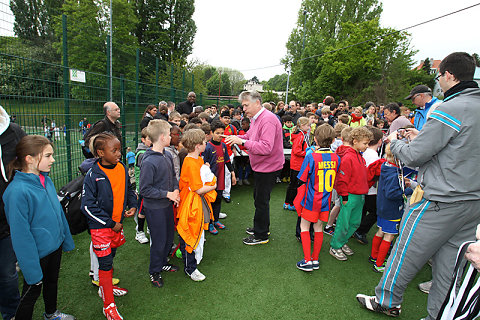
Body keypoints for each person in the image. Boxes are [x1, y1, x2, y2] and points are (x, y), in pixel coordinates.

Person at [356, 52, 480, 320]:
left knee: (405, 251)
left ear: (448, 75)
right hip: (472, 203)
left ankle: (387, 301)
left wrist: (394, 142)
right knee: (449, 266)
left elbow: (413, 156)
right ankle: (439, 315)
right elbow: (460, 147)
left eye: (439, 76)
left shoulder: (450, 107)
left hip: (439, 199)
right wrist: (422, 136)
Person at [4, 135, 75, 320]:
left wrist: (65, 240)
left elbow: (58, 213)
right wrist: (31, 269)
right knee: (32, 291)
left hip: (54, 247)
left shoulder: (46, 180)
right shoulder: (17, 192)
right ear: (29, 158)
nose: (53, 160)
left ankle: (51, 314)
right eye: (48, 156)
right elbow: (21, 236)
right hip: (36, 254)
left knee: (51, 283)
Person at [81, 132, 137, 320]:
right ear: (100, 153)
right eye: (114, 150)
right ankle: (108, 306)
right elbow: (87, 206)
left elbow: (128, 189)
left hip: (117, 225)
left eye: (119, 149)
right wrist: (110, 223)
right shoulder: (93, 175)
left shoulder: (121, 167)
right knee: (105, 263)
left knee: (110, 259)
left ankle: (106, 288)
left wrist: (133, 205)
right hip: (102, 228)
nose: (119, 154)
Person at [224, 90, 284, 245]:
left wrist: (241, 142)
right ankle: (262, 227)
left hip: (268, 167)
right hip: (261, 166)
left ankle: (261, 234)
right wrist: (235, 138)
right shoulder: (256, 118)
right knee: (259, 199)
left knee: (261, 201)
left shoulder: (267, 119)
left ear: (257, 102)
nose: (243, 109)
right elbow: (250, 136)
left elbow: (266, 147)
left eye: (245, 105)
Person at [139, 120, 180, 288]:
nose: (172, 137)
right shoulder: (148, 161)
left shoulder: (168, 155)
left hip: (167, 206)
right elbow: (144, 190)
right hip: (154, 208)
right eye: (170, 134)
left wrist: (175, 191)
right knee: (158, 239)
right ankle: (154, 271)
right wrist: (167, 194)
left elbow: (173, 177)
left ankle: (163, 262)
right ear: (162, 137)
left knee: (169, 236)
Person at [294, 124, 340, 271]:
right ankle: (315, 259)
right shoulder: (336, 158)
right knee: (319, 227)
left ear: (315, 139)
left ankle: (308, 260)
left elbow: (301, 178)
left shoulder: (311, 156)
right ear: (333, 140)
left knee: (304, 226)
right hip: (326, 200)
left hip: (311, 199)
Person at [176, 129, 217, 281]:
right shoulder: (190, 162)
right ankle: (190, 268)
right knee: (190, 234)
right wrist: (213, 185)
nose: (207, 144)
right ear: (198, 145)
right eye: (205, 142)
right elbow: (198, 189)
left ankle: (190, 261)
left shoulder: (196, 159)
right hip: (190, 205)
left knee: (194, 233)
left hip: (195, 203)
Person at [329, 126, 373, 261]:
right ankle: (335, 246)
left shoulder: (359, 156)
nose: (366, 146)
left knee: (354, 222)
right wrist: (345, 196)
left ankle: (342, 242)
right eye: (365, 143)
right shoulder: (348, 157)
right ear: (355, 141)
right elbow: (342, 179)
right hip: (349, 195)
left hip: (359, 195)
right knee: (343, 222)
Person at [369, 144, 413, 273]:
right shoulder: (394, 173)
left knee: (380, 231)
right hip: (392, 209)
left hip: (382, 206)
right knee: (389, 236)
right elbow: (392, 193)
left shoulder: (385, 166)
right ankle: (379, 263)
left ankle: (374, 256)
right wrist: (407, 190)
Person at [0, 105, 25, 320]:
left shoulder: (14, 132)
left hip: (5, 222)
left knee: (7, 275)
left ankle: (12, 314)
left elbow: (31, 162)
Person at [203, 121, 236, 234]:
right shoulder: (207, 147)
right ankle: (210, 223)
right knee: (210, 202)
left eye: (222, 133)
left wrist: (232, 173)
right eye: (217, 133)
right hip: (211, 182)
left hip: (220, 179)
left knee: (218, 200)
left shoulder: (223, 146)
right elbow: (203, 165)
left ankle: (216, 220)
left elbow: (227, 161)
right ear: (211, 133)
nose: (220, 136)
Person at [353, 126, 384, 245]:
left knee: (363, 209)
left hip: (363, 187)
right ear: (379, 141)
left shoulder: (365, 152)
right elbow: (372, 173)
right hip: (370, 189)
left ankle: (356, 229)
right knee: (375, 212)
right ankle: (360, 231)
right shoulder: (373, 155)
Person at [284, 117, 310, 212]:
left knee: (294, 184)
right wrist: (307, 152)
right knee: (294, 185)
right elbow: (296, 151)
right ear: (302, 126)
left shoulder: (302, 135)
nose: (309, 127)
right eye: (307, 125)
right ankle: (290, 203)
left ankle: (289, 202)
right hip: (297, 165)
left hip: (299, 164)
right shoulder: (300, 136)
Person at [134, 128, 152, 244]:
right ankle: (139, 231)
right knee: (142, 212)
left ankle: (149, 227)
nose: (151, 141)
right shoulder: (142, 154)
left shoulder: (150, 151)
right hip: (143, 189)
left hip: (150, 188)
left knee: (149, 210)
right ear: (143, 139)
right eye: (149, 139)